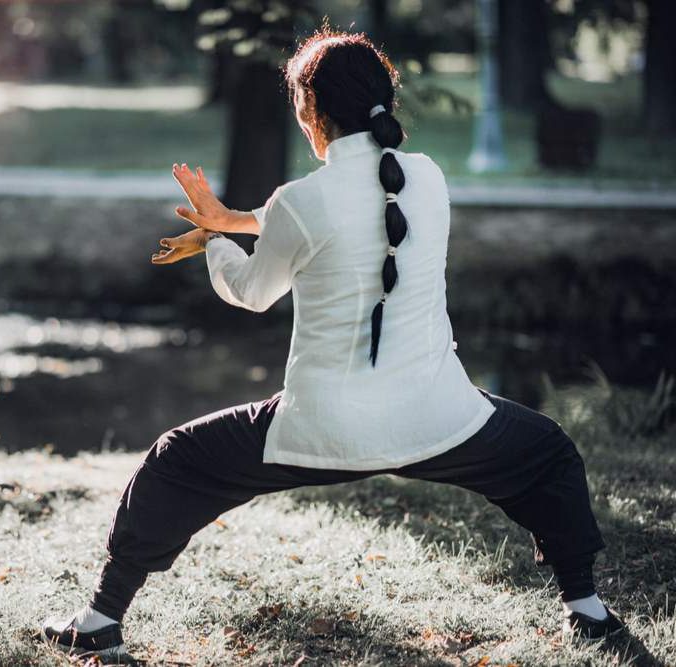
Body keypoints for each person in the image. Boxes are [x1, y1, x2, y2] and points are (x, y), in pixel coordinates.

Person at [43, 27, 623, 662]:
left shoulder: (301, 202)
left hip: (319, 432)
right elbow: (348, 216)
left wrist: (213, 243)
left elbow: (252, 291)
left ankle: (100, 621)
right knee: (549, 455)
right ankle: (587, 611)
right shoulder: (426, 180)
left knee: (173, 461)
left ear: (311, 110)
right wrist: (234, 220)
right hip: (441, 419)